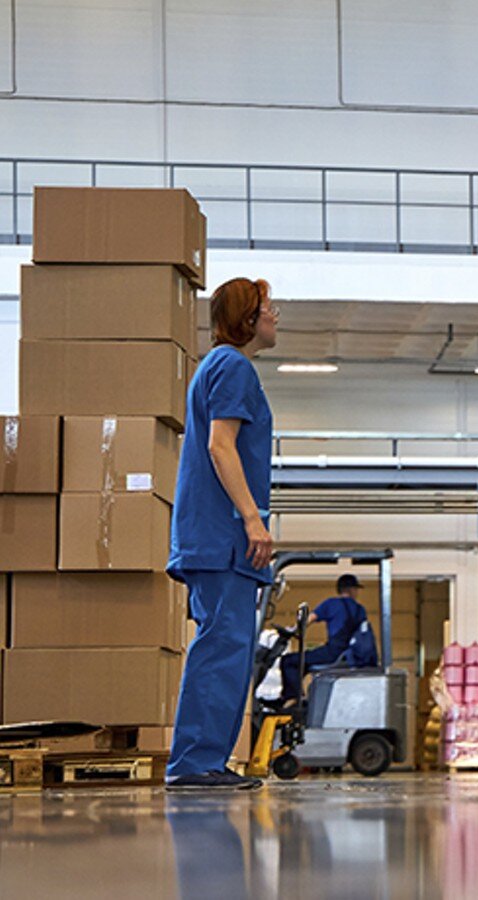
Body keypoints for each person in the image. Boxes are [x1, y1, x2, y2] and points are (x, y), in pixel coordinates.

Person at [165, 277, 278, 791]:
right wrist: (252, 518)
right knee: (222, 647)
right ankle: (193, 763)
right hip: (223, 535)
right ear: (247, 319)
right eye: (268, 308)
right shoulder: (232, 366)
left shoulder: (219, 366)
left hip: (216, 536)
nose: (275, 316)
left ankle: (206, 760)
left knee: (228, 647)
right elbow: (220, 445)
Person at [277, 573, 379, 702]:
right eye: (356, 589)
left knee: (289, 661)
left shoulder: (331, 604)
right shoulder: (360, 609)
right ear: (351, 589)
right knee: (303, 663)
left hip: (333, 652)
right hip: (351, 655)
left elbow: (308, 619)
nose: (356, 592)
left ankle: (293, 699)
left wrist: (292, 630)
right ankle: (300, 699)